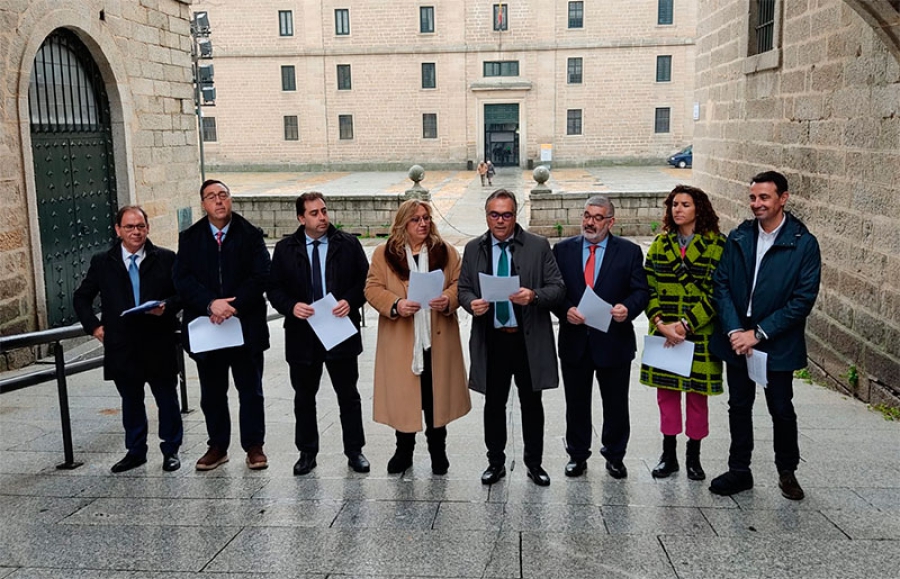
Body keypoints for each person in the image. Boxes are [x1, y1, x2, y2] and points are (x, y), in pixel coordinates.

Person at [709, 170, 821, 501]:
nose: (756, 204)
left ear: (783, 199)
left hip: (776, 344)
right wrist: (734, 330)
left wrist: (757, 333)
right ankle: (739, 470)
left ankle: (787, 472)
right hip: (737, 341)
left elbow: (802, 300)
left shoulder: (803, 244)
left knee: (781, 408)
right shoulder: (740, 236)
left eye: (764, 197)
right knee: (738, 405)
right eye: (753, 197)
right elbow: (722, 284)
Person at [458, 189, 565, 487]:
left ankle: (535, 463)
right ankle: (495, 462)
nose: (501, 221)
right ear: (487, 216)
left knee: (532, 403)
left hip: (527, 339)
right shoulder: (473, 248)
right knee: (494, 403)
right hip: (492, 338)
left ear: (515, 215)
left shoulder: (538, 246)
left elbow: (558, 288)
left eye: (506, 214)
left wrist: (533, 296)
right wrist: (471, 303)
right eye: (495, 214)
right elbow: (463, 288)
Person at [73, 206, 184, 473]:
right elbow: (81, 297)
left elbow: (183, 294)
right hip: (123, 345)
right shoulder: (103, 261)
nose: (136, 232)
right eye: (130, 227)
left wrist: (166, 306)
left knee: (167, 399)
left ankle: (171, 450)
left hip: (158, 341)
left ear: (148, 228)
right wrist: (95, 328)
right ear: (118, 230)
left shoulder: (166, 258)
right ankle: (135, 451)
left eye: (141, 226)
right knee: (131, 401)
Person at [365, 199, 471, 475]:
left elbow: (460, 284)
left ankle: (439, 451)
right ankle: (404, 450)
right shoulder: (384, 254)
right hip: (402, 339)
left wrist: (447, 299)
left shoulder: (445, 252)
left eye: (426, 218)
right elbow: (372, 287)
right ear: (403, 224)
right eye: (416, 219)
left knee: (435, 397)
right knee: (405, 398)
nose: (423, 223)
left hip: (437, 339)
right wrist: (396, 304)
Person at [268, 192, 371, 475]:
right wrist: (291, 306)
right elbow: (274, 288)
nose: (322, 217)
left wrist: (350, 301)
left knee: (348, 395)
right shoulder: (286, 248)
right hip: (303, 334)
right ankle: (307, 452)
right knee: (304, 396)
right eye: (314, 213)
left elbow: (366, 281)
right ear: (301, 218)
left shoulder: (348, 244)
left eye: (324, 211)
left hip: (339, 331)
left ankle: (355, 450)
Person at [173, 179, 271, 471]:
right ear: (203, 204)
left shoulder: (250, 234)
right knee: (212, 392)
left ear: (230, 200)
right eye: (211, 197)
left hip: (244, 327)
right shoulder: (189, 238)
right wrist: (210, 304)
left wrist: (233, 304)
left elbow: (262, 275)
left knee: (250, 390)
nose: (218, 201)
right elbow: (182, 279)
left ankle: (254, 446)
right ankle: (217, 446)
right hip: (208, 328)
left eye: (223, 195)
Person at [552, 196, 649, 479]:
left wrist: (627, 308)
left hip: (614, 340)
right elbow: (555, 290)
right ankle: (577, 455)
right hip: (575, 340)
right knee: (576, 403)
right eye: (586, 215)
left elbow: (641, 291)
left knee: (616, 403)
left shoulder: (629, 252)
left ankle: (615, 455)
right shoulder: (562, 250)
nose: (590, 222)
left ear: (610, 222)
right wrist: (565, 309)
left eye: (597, 217)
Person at [639, 185, 727, 481]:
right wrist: (659, 320)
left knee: (697, 397)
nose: (678, 209)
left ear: (698, 209)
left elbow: (717, 292)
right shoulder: (660, 244)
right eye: (674, 204)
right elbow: (647, 285)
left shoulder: (717, 245)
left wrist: (686, 324)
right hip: (664, 332)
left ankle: (694, 457)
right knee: (667, 395)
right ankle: (668, 455)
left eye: (685, 204)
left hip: (698, 333)